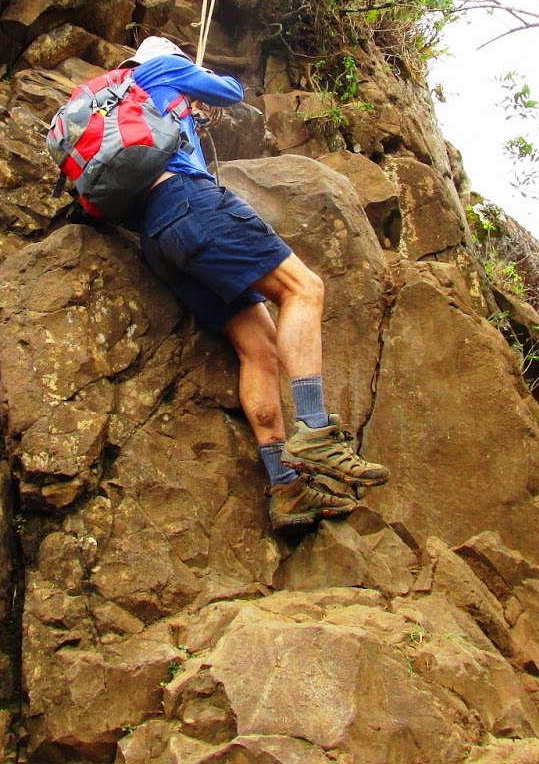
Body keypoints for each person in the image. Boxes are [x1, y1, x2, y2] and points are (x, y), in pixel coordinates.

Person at [120, 36, 390, 529]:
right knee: (303, 289)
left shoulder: (130, 98)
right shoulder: (163, 70)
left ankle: (286, 490)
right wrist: (199, 77)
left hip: (157, 238)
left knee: (259, 348)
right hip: (189, 204)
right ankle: (313, 430)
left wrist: (189, 110)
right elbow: (231, 90)